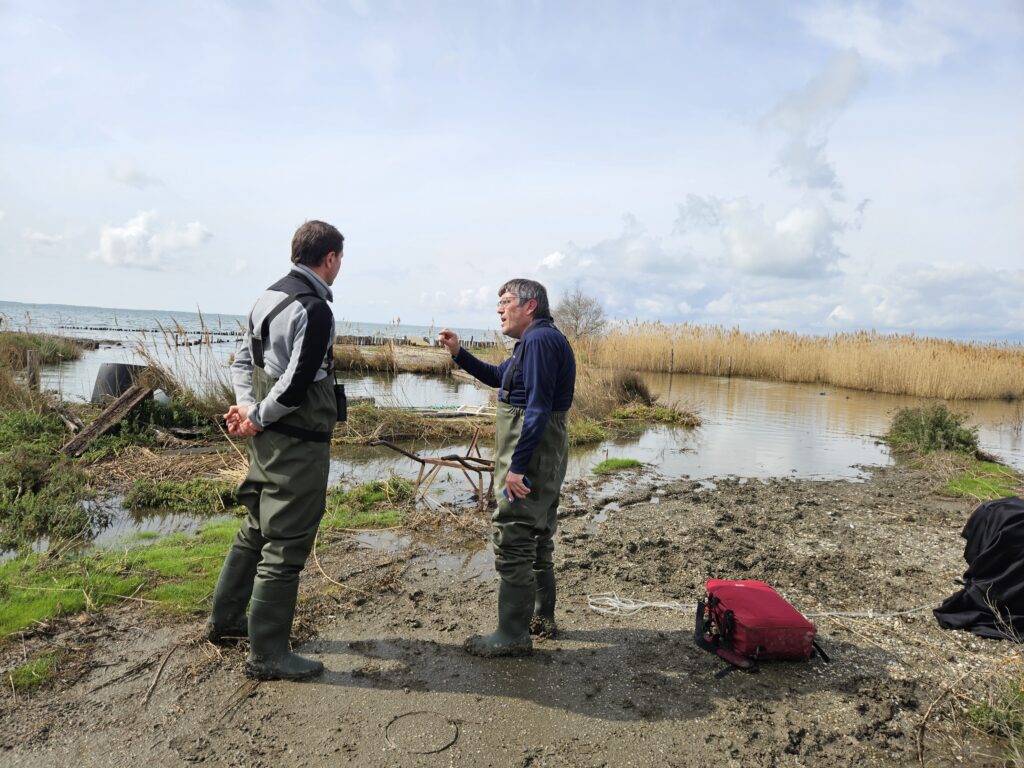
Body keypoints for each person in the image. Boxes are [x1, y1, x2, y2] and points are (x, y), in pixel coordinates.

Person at [206, 220, 344, 681]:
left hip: (267, 440)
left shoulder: (265, 298)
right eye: (340, 259)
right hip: (297, 442)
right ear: (329, 258)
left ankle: (226, 620)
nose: (339, 267)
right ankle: (267, 654)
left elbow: (244, 361)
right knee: (285, 543)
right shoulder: (315, 310)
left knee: (256, 526)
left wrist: (248, 407)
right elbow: (298, 383)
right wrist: (258, 415)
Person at [438, 278, 576, 657]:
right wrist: (459, 353)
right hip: (546, 451)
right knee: (538, 532)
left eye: (506, 301)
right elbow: (500, 377)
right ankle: (541, 617)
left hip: (531, 452)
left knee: (513, 534)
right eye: (498, 302)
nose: (499, 308)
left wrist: (516, 467)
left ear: (530, 306)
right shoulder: (535, 341)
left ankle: (512, 633)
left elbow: (537, 408)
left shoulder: (539, 341)